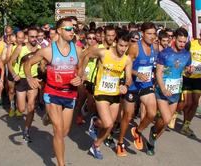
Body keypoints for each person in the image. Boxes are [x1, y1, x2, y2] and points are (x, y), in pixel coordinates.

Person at [25, 17, 83, 166]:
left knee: (64, 133)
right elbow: (28, 63)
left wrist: (81, 78)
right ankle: (60, 164)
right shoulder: (48, 51)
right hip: (53, 93)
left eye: (74, 29)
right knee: (58, 131)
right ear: (59, 31)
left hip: (70, 94)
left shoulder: (78, 50)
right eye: (69, 29)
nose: (72, 31)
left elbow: (82, 70)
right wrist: (30, 77)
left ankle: (48, 117)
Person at [82, 31, 132, 160]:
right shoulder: (104, 52)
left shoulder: (127, 59)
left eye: (126, 46)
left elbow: (129, 78)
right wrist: (82, 72)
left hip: (115, 94)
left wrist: (125, 86)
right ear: (116, 42)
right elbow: (86, 56)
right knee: (108, 124)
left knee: (110, 124)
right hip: (101, 92)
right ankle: (96, 134)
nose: (123, 49)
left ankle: (95, 144)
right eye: (121, 45)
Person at [148, 28, 193, 155]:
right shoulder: (165, 53)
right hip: (162, 91)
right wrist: (162, 88)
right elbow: (158, 73)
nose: (182, 44)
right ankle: (154, 133)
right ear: (174, 39)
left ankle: (152, 139)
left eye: (184, 42)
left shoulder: (187, 54)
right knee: (167, 119)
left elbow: (185, 71)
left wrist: (189, 71)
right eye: (180, 41)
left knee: (164, 123)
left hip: (176, 91)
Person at [116, 22, 158, 157]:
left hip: (145, 84)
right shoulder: (134, 47)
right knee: (127, 116)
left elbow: (152, 67)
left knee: (152, 113)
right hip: (132, 85)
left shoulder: (154, 47)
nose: (152, 37)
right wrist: (137, 73)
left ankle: (137, 131)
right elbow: (125, 65)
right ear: (142, 33)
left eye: (154, 34)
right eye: (149, 34)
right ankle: (121, 142)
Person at [9, 28, 40, 142]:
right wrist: (13, 74)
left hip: (33, 79)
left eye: (36, 37)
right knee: (22, 109)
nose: (34, 39)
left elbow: (43, 64)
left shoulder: (40, 50)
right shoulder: (20, 48)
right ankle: (18, 105)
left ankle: (26, 130)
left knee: (31, 107)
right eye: (32, 37)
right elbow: (9, 62)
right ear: (28, 37)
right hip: (21, 79)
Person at [180, 26, 201, 137]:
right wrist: (186, 67)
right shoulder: (192, 43)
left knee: (195, 103)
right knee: (187, 103)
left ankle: (186, 125)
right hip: (187, 76)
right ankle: (179, 119)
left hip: (198, 78)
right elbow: (183, 55)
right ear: (200, 34)